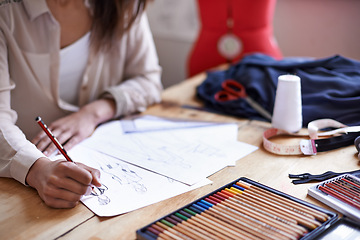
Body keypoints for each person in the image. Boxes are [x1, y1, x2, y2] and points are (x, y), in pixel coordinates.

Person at [0, 0, 162, 208]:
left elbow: (148, 80)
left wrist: (94, 113)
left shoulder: (126, 5)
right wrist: (35, 169)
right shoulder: (7, 11)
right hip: (17, 184)